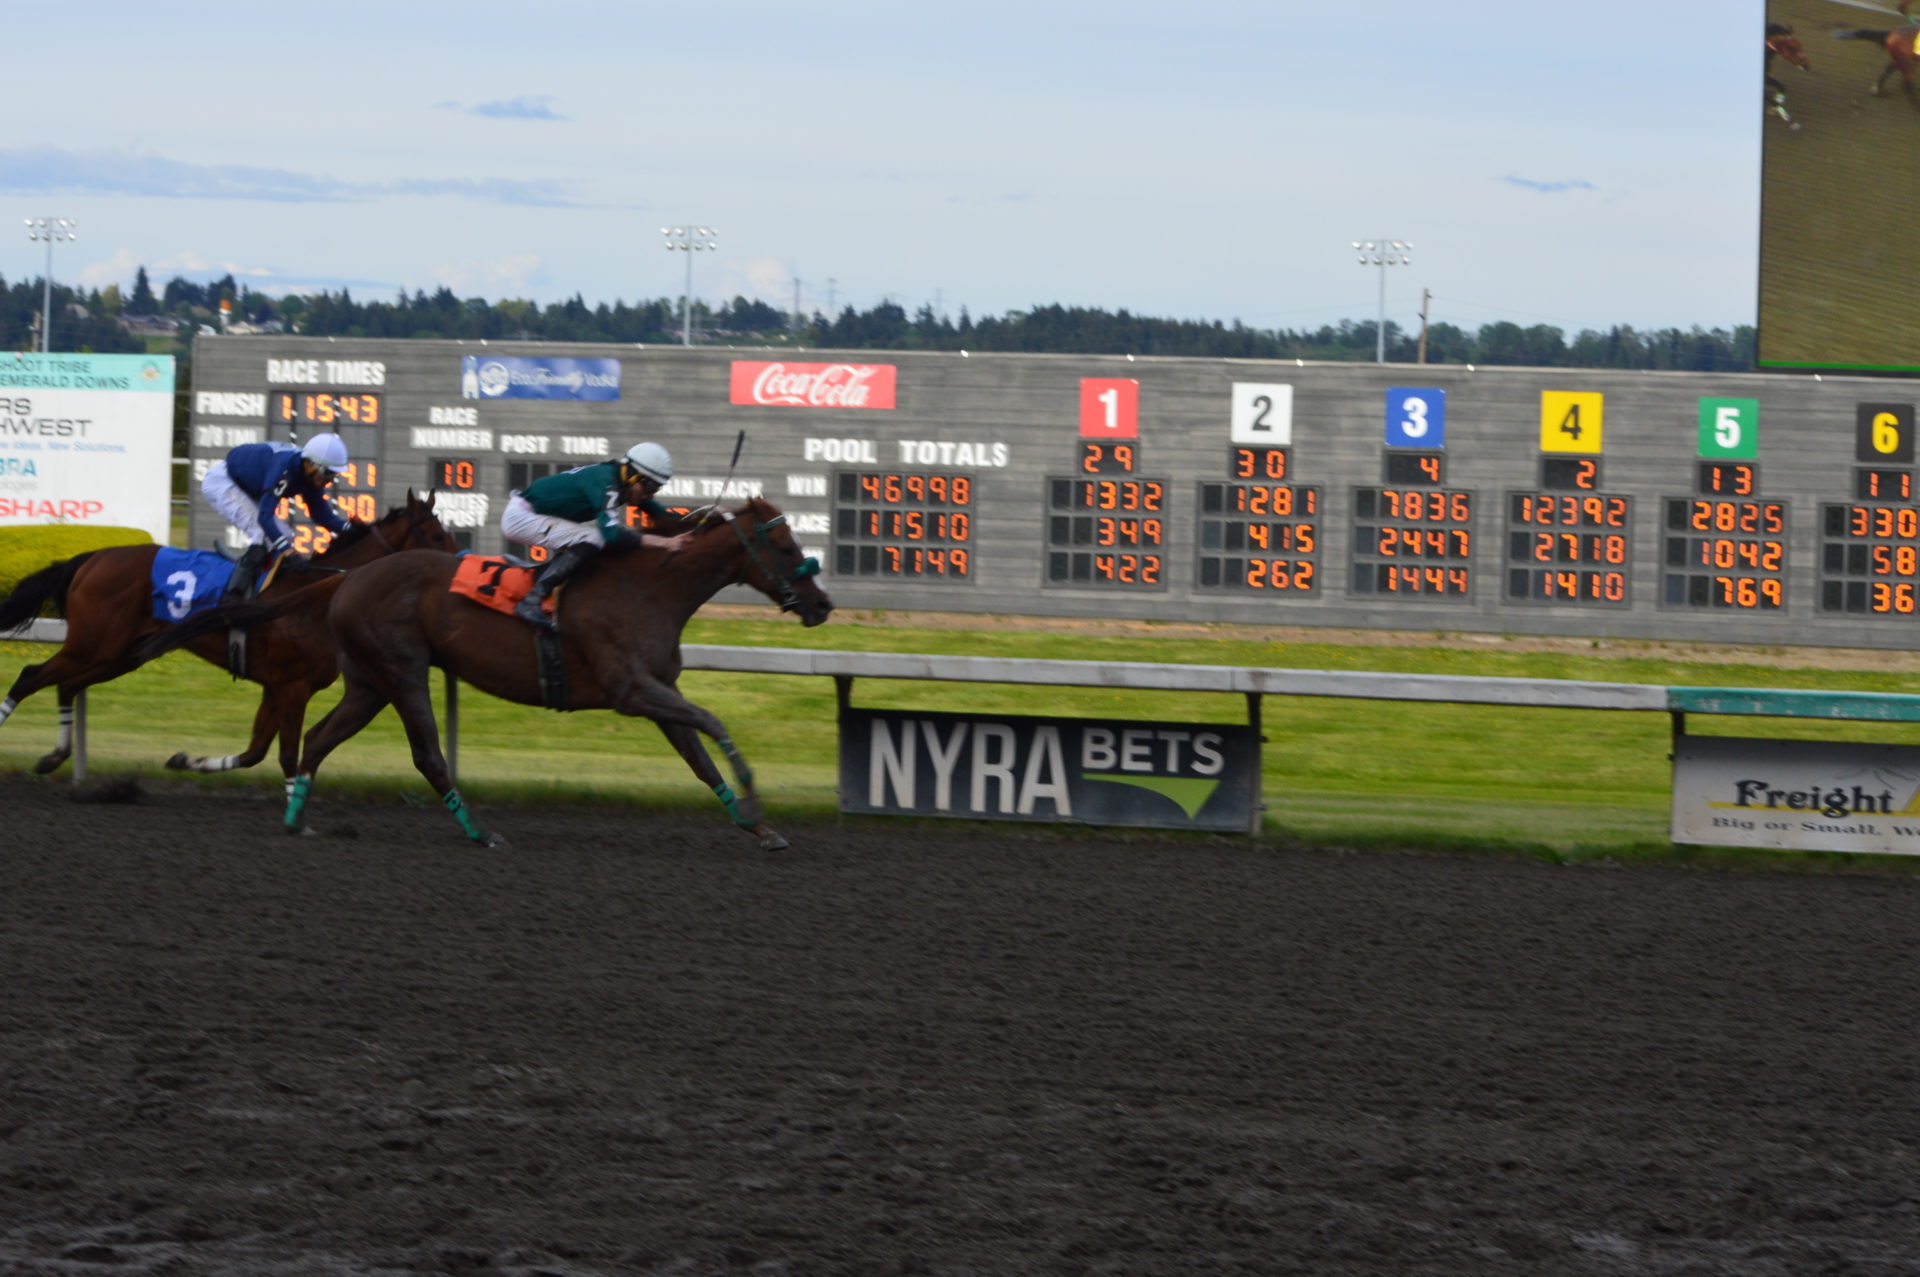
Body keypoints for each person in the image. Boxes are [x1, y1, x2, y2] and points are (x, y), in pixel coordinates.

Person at [499, 441, 694, 628]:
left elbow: (661, 515)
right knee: (594, 538)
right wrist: (664, 543)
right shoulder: (606, 482)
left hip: (535, 514)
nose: (651, 495)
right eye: (651, 487)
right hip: (522, 517)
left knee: (590, 544)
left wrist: (696, 522)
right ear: (634, 475)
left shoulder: (623, 479)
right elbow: (612, 535)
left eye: (657, 489)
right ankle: (532, 600)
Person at [200, 432, 355, 602]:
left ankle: (263, 584)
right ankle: (233, 597)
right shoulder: (284, 469)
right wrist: (289, 553)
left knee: (285, 535)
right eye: (328, 473)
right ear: (311, 465)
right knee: (263, 533)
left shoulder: (309, 476)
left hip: (247, 485)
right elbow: (264, 517)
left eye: (334, 475)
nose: (330, 480)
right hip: (224, 481)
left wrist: (353, 528)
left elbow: (323, 517)